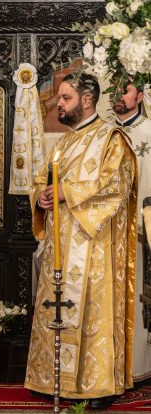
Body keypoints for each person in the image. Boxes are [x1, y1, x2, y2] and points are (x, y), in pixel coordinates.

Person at [24, 73, 137, 409]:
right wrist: (42, 196)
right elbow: (43, 179)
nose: (59, 104)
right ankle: (52, 379)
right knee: (56, 308)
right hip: (60, 244)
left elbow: (118, 185)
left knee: (90, 312)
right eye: (60, 98)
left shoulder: (110, 139)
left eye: (66, 98)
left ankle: (96, 386)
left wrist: (66, 192)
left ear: (87, 100)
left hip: (94, 245)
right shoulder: (64, 142)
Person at [112, 83, 151, 383]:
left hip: (142, 229)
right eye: (115, 91)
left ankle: (140, 366)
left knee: (140, 296)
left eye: (125, 91)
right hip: (108, 229)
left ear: (139, 96)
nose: (119, 97)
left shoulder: (149, 131)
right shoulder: (104, 133)